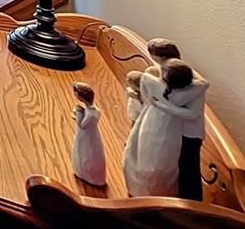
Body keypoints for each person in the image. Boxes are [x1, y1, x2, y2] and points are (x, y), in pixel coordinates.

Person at [123, 61, 195, 197]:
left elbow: (145, 80)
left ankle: (146, 191)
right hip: (163, 123)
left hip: (157, 123)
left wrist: (160, 105)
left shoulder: (157, 89)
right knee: (150, 155)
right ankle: (146, 190)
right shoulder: (184, 97)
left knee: (152, 156)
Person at [147, 59, 209, 201]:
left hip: (190, 135)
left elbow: (191, 114)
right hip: (179, 132)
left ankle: (192, 200)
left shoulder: (192, 92)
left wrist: (159, 105)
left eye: (164, 72)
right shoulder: (182, 89)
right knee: (178, 164)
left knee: (188, 167)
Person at [72, 82, 107, 186]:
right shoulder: (91, 110)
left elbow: (82, 125)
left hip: (86, 136)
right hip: (89, 135)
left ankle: (90, 175)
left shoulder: (91, 113)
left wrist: (78, 113)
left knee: (86, 153)